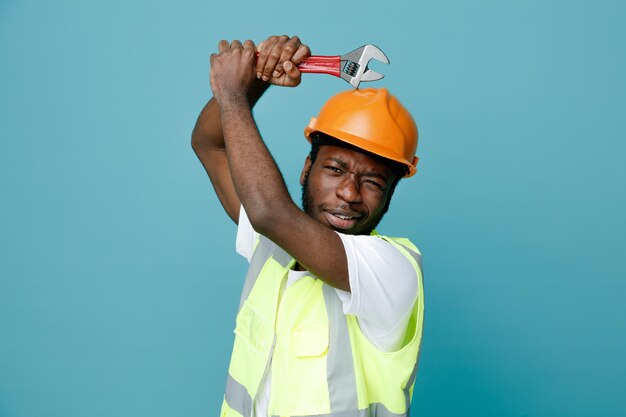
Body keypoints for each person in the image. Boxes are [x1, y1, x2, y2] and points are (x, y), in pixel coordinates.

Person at [192, 35, 424, 417]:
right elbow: (211, 145)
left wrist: (233, 95)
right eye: (335, 169)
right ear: (306, 169)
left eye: (373, 182)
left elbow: (270, 211)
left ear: (389, 195)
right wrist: (260, 76)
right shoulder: (273, 248)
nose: (350, 192)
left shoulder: (390, 269)